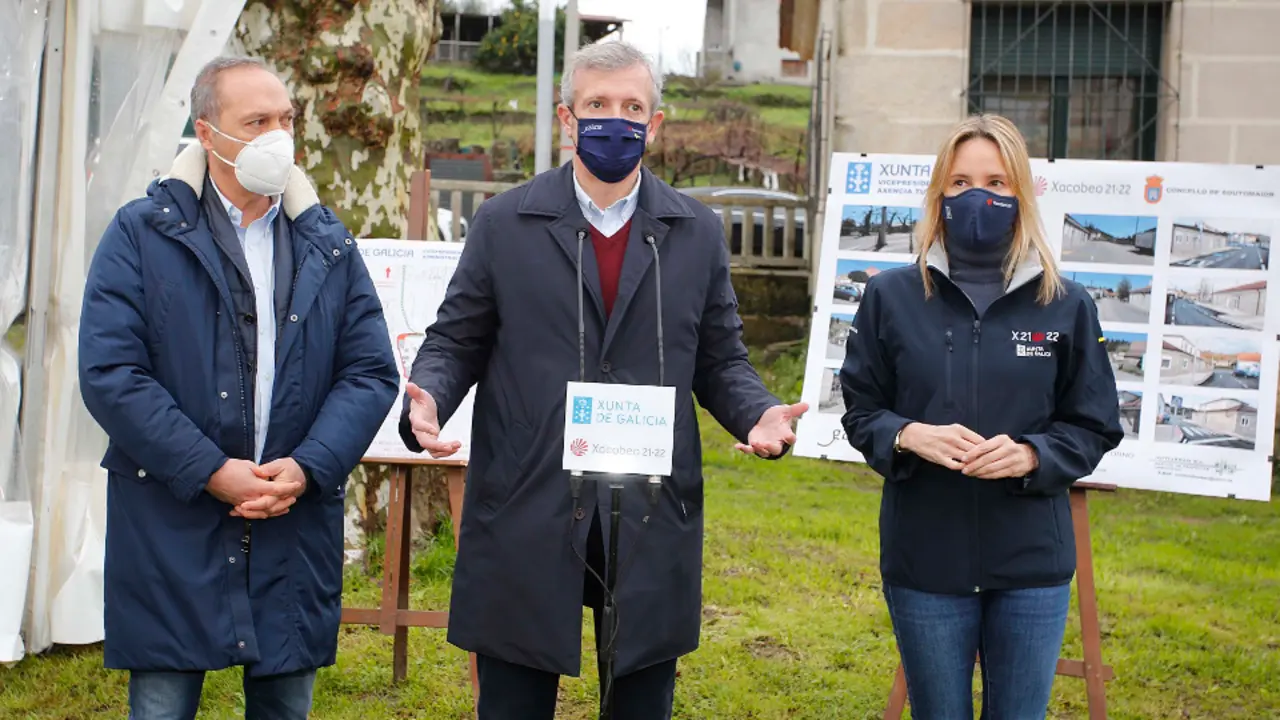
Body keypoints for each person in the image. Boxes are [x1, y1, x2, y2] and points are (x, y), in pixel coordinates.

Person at [399, 39, 808, 719]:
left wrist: (758, 412)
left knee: (643, 695)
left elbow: (720, 359)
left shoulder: (696, 232)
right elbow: (456, 339)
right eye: (597, 105)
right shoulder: (505, 224)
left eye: (631, 107)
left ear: (654, 123)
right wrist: (430, 397)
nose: (613, 120)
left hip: (649, 504)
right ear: (567, 118)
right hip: (529, 497)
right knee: (513, 700)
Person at [78, 56, 399, 719]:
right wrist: (209, 470)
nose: (278, 137)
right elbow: (111, 373)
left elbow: (368, 372)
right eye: (256, 122)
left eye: (286, 119)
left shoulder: (324, 242)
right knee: (164, 702)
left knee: (286, 702)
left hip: (292, 517)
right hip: (171, 518)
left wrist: (309, 468)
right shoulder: (141, 234)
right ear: (207, 132)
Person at [839, 114, 1124, 719]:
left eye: (996, 182)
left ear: (1021, 192)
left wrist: (1033, 455)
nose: (979, 197)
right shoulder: (890, 296)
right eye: (962, 181)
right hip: (925, 556)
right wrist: (907, 434)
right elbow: (861, 411)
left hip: (1031, 563)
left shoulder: (1066, 303)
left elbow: (1095, 424)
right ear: (940, 192)